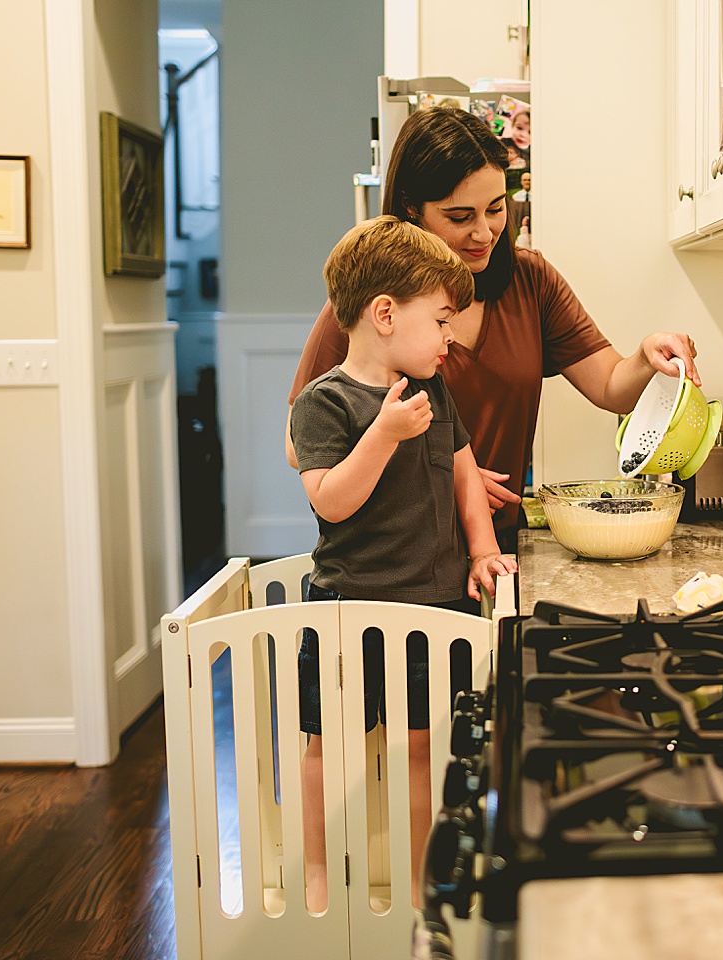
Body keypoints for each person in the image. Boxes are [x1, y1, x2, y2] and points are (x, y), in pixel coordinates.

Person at [287, 106, 700, 553]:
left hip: (495, 549)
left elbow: (610, 386)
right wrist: (444, 477)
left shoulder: (531, 281)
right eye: (460, 217)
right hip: (391, 559)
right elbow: (301, 446)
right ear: (412, 207)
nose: (485, 232)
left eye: (496, 208)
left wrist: (645, 356)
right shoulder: (372, 305)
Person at [289, 214, 518, 912]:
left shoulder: (434, 391)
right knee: (326, 749)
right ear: (384, 313)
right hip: (345, 607)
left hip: (434, 604)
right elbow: (331, 502)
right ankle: (318, 879)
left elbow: (462, 474)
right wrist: (384, 434)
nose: (450, 336)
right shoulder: (323, 403)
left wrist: (482, 548)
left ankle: (424, 880)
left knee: (426, 749)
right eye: (442, 318)